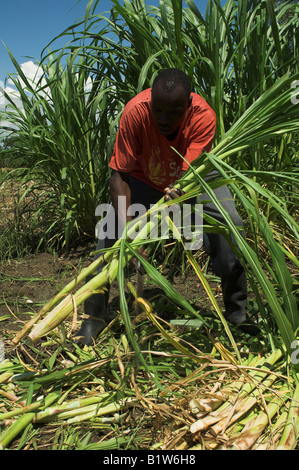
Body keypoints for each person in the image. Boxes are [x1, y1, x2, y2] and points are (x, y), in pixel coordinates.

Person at [75, 68, 259, 346]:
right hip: (142, 177)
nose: (163, 119)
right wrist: (130, 237)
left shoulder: (203, 116)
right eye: (157, 110)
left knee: (231, 226)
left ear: (188, 104)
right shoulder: (135, 112)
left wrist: (179, 199)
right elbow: (119, 176)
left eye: (173, 112)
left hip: (194, 178)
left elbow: (186, 180)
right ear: (150, 101)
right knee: (109, 236)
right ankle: (94, 318)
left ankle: (236, 312)